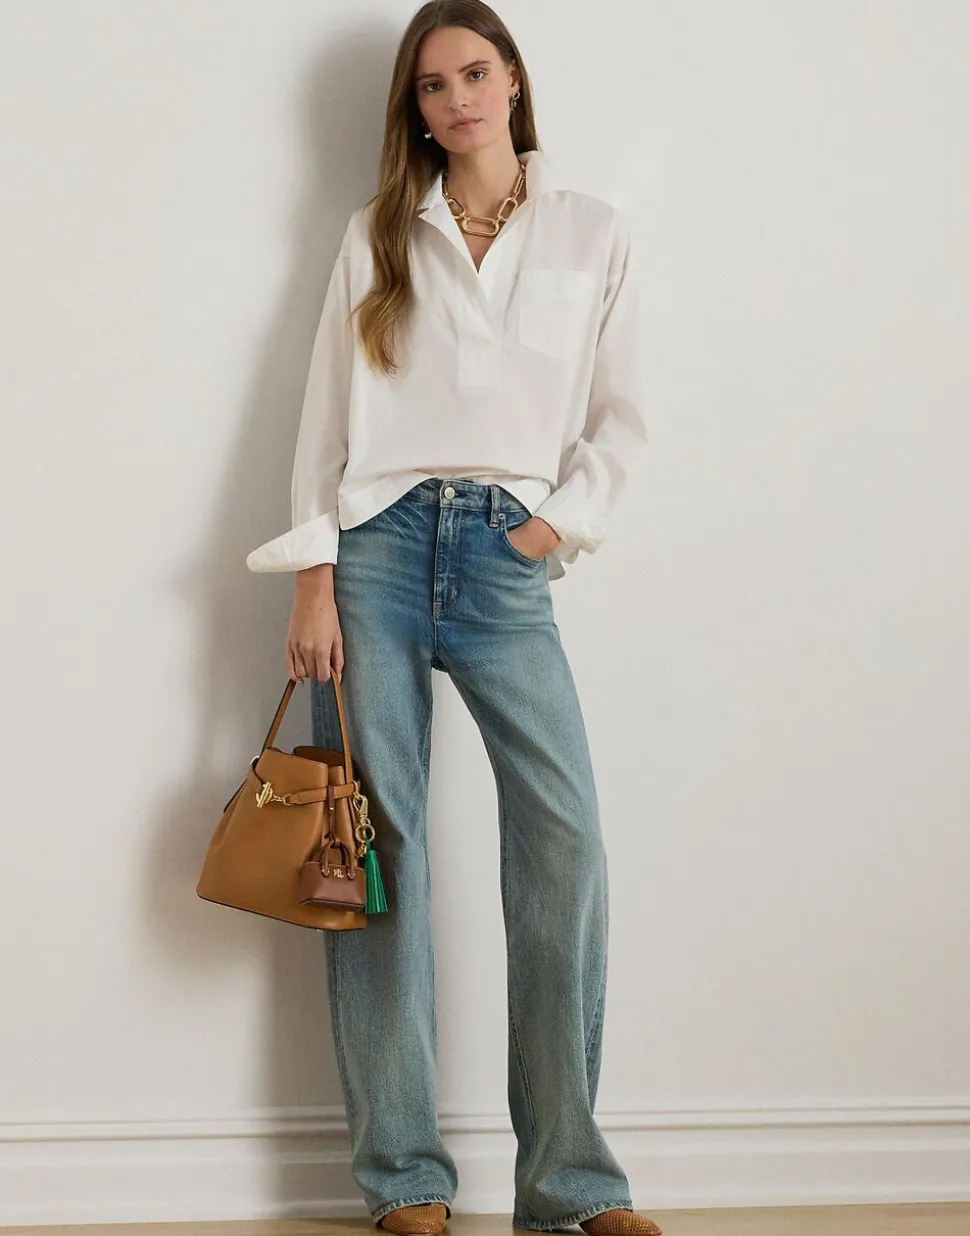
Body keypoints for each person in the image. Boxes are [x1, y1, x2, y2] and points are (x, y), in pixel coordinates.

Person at [246, 3, 655, 1233]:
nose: (457, 99)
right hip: (373, 550)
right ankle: (404, 1182)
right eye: (432, 86)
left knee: (565, 846)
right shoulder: (378, 231)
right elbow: (326, 413)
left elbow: (620, 416)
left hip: (504, 555)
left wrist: (551, 529)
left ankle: (569, 1186)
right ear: (414, 109)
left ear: (513, 81)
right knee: (376, 855)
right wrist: (312, 576)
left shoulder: (590, 231)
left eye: (475, 73)